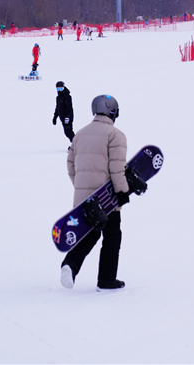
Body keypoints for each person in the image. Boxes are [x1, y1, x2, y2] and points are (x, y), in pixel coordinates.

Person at [61, 95, 129, 291]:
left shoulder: (80, 134)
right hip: (106, 199)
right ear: (112, 111)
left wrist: (81, 187)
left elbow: (70, 165)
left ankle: (70, 264)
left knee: (90, 234)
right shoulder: (115, 135)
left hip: (84, 199)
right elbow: (117, 168)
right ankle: (107, 280)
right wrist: (122, 191)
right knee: (112, 236)